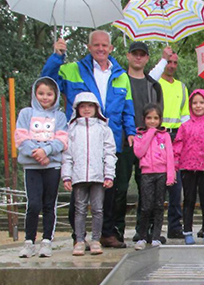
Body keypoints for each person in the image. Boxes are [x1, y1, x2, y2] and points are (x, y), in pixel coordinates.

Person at [42, 31, 134, 249]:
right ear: (89, 47)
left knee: (110, 190)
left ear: (111, 48)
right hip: (80, 141)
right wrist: (57, 57)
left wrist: (130, 132)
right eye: (96, 45)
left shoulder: (122, 75)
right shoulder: (72, 68)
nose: (100, 49)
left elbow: (128, 108)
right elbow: (48, 82)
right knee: (80, 191)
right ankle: (79, 236)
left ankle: (106, 233)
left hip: (109, 138)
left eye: (104, 45)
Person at [111, 42, 168, 243]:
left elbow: (158, 114)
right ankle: (116, 231)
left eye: (142, 55)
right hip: (125, 142)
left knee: (148, 190)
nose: (138, 57)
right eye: (134, 54)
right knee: (121, 188)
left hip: (150, 146)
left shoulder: (153, 85)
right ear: (128, 56)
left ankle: (146, 231)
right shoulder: (118, 80)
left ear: (146, 58)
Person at [14, 77, 68, 258]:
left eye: (49, 94)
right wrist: (37, 153)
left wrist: (46, 151)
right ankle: (29, 241)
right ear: (35, 94)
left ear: (55, 96)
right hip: (32, 166)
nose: (45, 97)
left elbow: (62, 140)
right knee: (34, 203)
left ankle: (47, 240)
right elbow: (21, 138)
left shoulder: (59, 116)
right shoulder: (26, 113)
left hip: (52, 165)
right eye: (41, 93)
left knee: (49, 204)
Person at [62, 93, 117, 256]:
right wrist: (66, 176)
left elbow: (110, 153)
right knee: (79, 209)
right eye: (83, 106)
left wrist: (109, 175)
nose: (86, 109)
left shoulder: (103, 129)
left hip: (98, 176)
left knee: (98, 209)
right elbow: (67, 155)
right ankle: (79, 240)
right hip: (78, 177)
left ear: (96, 108)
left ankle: (95, 240)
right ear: (77, 108)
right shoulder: (71, 130)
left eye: (90, 106)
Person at [174, 89, 204, 244]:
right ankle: (187, 231)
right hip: (188, 168)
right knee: (189, 200)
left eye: (201, 102)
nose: (198, 106)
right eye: (195, 103)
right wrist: (175, 164)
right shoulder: (185, 126)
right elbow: (178, 145)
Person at [132, 104, 175, 250]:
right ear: (144, 119)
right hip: (146, 174)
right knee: (145, 206)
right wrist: (150, 134)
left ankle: (156, 236)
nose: (152, 121)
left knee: (158, 206)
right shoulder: (139, 135)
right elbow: (139, 152)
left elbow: (170, 156)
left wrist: (171, 175)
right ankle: (142, 236)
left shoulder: (165, 136)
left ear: (160, 120)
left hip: (161, 174)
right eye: (149, 118)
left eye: (156, 118)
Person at [156, 52, 189, 239]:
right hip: (158, 134)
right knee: (156, 184)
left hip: (176, 136)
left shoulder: (181, 87)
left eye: (175, 62)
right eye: (169, 62)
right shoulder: (155, 83)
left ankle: (175, 226)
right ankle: (152, 229)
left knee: (176, 184)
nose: (172, 65)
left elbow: (185, 114)